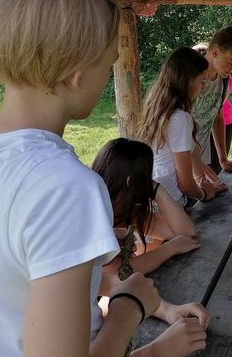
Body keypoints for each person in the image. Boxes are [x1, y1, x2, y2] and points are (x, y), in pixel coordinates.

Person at [0, 0, 205, 356]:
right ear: (77, 72)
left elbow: (7, 283)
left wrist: (161, 308)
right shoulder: (65, 187)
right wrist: (132, 313)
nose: (108, 76)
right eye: (108, 63)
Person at [92, 138, 210, 334]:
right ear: (131, 182)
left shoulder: (126, 211)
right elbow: (115, 276)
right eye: (147, 177)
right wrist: (170, 248)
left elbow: (185, 231)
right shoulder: (94, 217)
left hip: (106, 298)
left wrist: (156, 189)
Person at [139, 47, 219, 204]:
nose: (203, 88)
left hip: (153, 196)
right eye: (202, 81)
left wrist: (201, 176)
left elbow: (190, 150)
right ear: (188, 80)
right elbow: (186, 185)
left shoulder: (158, 108)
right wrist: (205, 194)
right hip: (169, 200)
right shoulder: (180, 118)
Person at [192, 26, 232, 182]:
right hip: (178, 162)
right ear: (215, 52)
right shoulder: (190, 77)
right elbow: (175, 131)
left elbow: (217, 117)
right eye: (231, 63)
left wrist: (223, 159)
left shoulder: (223, 80)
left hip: (199, 159)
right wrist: (198, 168)